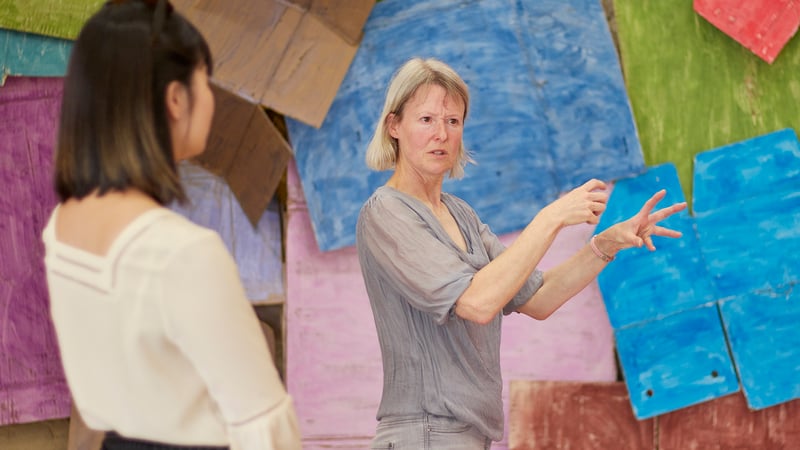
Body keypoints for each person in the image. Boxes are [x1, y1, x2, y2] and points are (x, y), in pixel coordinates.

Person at [356, 57, 687, 449]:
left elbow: (539, 298)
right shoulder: (385, 213)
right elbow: (477, 303)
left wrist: (604, 245)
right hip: (424, 433)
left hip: (466, 435)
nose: (441, 134)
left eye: (453, 121)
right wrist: (550, 218)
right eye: (426, 119)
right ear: (394, 126)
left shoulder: (461, 215)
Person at [41, 1, 302, 449]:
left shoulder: (63, 224)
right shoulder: (184, 252)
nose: (212, 99)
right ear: (176, 99)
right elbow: (263, 425)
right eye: (207, 81)